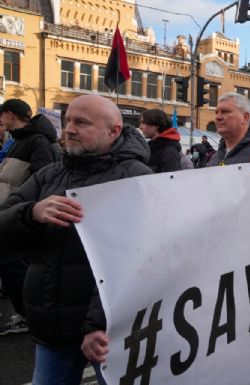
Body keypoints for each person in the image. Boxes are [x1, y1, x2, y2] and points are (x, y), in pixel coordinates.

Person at [0, 95, 153, 384]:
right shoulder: (48, 175)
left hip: (108, 336)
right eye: (68, 120)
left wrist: (99, 323)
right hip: (51, 329)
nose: (68, 129)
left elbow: (135, 260)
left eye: (81, 123)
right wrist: (31, 213)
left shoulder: (138, 179)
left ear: (114, 131)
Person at [0, 99, 59, 336]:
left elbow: (41, 178)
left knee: (13, 264)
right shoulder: (21, 140)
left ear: (10, 114)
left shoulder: (36, 140)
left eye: (1, 116)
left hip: (21, 212)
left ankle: (29, 314)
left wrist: (25, 208)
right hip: (11, 209)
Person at [139, 109, 182, 173]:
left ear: (156, 125)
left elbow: (171, 180)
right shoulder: (153, 147)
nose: (140, 127)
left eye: (143, 123)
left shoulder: (169, 151)